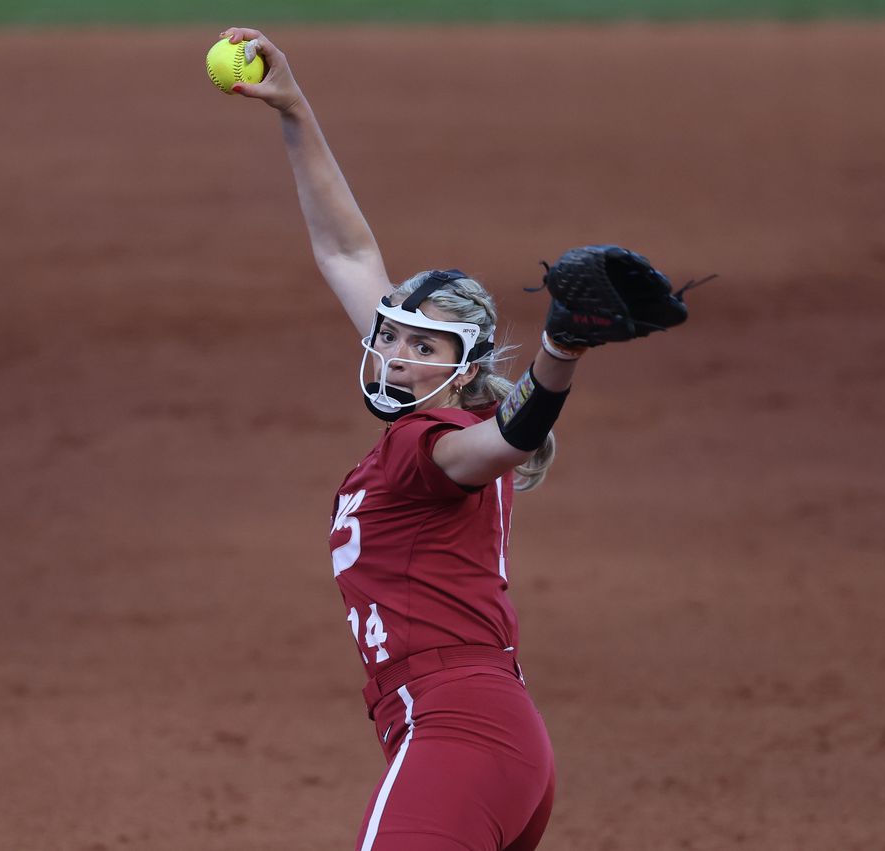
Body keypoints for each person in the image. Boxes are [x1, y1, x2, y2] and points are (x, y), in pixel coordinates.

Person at [220, 26, 690, 851]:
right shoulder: (428, 405)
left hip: (459, 734)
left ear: (461, 369)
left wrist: (561, 351)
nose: (397, 355)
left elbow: (500, 446)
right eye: (392, 336)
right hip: (473, 738)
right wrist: (293, 108)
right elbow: (345, 246)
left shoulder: (433, 440)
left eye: (423, 348)